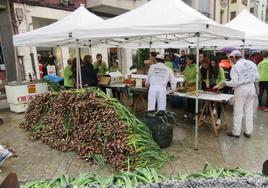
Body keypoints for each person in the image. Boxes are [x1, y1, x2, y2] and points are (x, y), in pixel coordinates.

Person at [225, 50, 259, 138]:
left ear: (234, 57)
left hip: (241, 89)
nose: (231, 61)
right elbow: (257, 78)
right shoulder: (252, 63)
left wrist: (225, 83)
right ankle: (248, 132)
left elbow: (234, 83)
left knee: (238, 111)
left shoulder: (236, 67)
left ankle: (236, 132)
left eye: (231, 58)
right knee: (249, 110)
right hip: (251, 88)